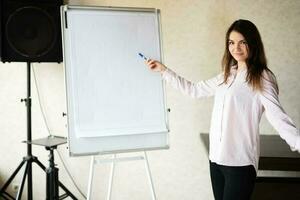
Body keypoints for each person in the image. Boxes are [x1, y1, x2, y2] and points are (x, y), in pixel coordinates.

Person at [145, 19, 300, 200]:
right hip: (216, 160)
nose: (236, 48)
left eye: (243, 42)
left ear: (253, 43)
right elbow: (194, 90)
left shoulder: (262, 77)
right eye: (231, 43)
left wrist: (297, 142)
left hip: (240, 163)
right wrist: (164, 71)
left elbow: (277, 117)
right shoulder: (227, 74)